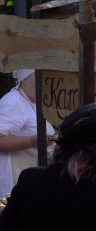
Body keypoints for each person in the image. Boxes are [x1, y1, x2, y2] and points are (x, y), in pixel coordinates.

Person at [0, 69, 54, 198]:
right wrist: (32, 141)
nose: (44, 85)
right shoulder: (13, 101)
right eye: (39, 79)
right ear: (24, 79)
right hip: (14, 181)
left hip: (31, 179)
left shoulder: (35, 103)